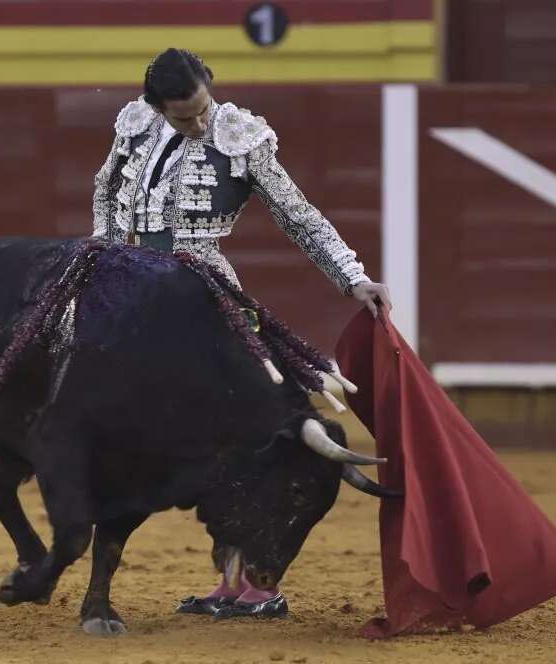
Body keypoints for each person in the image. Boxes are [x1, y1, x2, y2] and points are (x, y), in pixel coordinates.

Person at [90, 48, 392, 619]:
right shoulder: (133, 126)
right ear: (156, 108)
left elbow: (296, 213)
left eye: (203, 107)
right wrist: (103, 254)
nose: (199, 123)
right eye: (183, 117)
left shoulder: (241, 137)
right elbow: (106, 190)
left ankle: (247, 579)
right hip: (128, 285)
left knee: (239, 438)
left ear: (211, 86)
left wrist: (353, 277)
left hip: (205, 294)